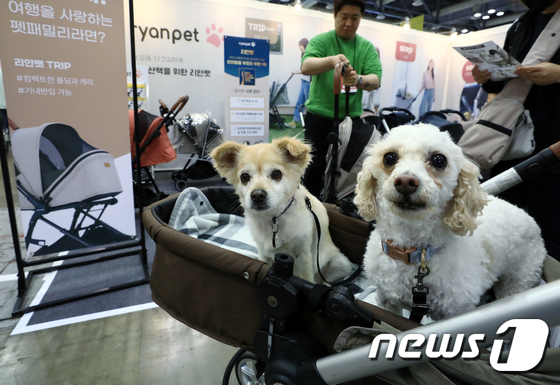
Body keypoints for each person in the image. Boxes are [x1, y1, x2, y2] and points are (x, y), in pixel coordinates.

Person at [471, 0, 560, 261]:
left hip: (552, 146)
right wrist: (486, 77)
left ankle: (548, 296)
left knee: (550, 227)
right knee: (500, 219)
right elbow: (502, 83)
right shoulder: (521, 24)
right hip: (509, 139)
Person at [300, 0, 382, 198]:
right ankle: (310, 208)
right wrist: (332, 60)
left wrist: (358, 79)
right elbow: (306, 66)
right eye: (344, 17)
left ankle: (340, 208)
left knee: (347, 169)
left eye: (355, 18)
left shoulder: (366, 47)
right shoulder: (321, 41)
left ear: (361, 18)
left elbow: (376, 79)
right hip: (318, 118)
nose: (348, 23)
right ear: (335, 15)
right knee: (314, 168)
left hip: (350, 122)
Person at [286, 38, 311, 129]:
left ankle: (309, 124)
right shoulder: (303, 55)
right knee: (299, 102)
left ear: (305, 45)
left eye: (301, 46)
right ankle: (294, 121)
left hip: (308, 83)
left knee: (309, 104)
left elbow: (308, 70)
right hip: (303, 81)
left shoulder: (310, 55)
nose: (300, 48)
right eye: (299, 46)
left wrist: (297, 72)